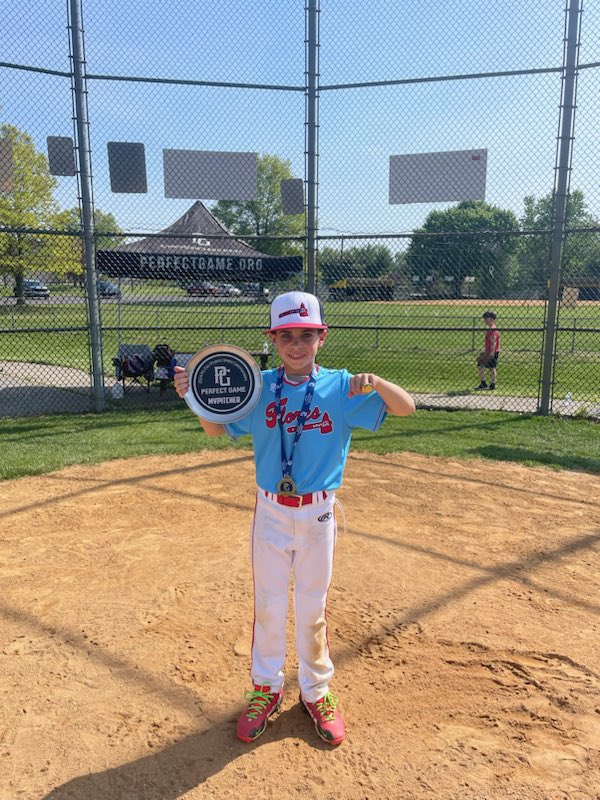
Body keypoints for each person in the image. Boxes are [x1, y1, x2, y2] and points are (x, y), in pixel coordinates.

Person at [173, 290, 415, 747]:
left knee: (311, 605)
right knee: (267, 604)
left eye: (307, 334)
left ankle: (316, 690)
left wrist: (378, 382)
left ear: (322, 337)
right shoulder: (259, 385)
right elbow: (217, 428)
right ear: (273, 338)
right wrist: (194, 398)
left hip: (319, 512)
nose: (297, 344)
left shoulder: (342, 386)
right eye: (287, 335)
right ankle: (265, 688)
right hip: (270, 511)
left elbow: (407, 408)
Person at [474, 310, 500, 390]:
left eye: (486, 318)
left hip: (491, 352)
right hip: (492, 351)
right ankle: (492, 384)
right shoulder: (492, 328)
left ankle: (484, 383)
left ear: (492, 319)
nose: (484, 319)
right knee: (492, 368)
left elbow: (493, 342)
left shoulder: (492, 329)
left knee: (481, 365)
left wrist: (491, 353)